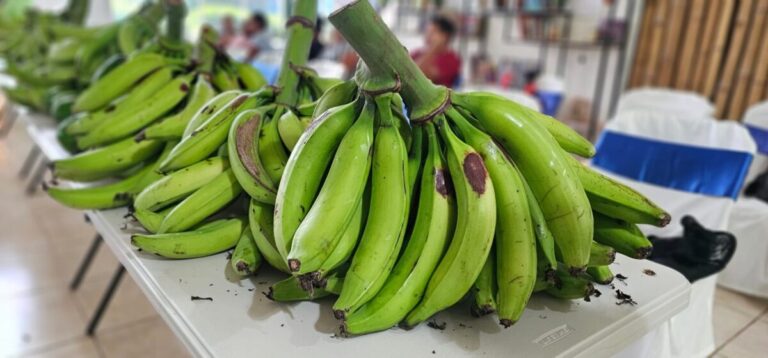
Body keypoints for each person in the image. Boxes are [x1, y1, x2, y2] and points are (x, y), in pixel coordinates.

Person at [411, 15, 461, 88]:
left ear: (445, 36)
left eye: (433, 32)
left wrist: (433, 49)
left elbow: (417, 76)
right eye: (427, 31)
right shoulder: (417, 53)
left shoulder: (452, 59)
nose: (428, 35)